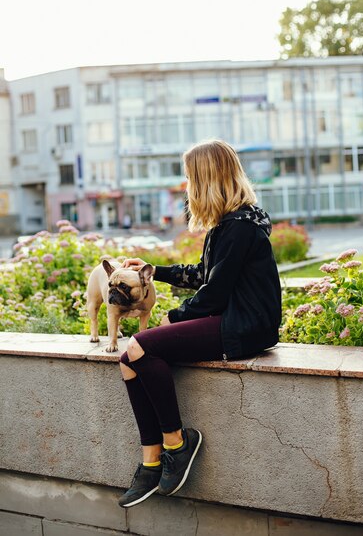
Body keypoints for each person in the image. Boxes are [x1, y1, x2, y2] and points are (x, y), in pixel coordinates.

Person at [118, 139, 282, 507]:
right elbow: (203, 275)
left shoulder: (239, 226)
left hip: (245, 325)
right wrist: (151, 269)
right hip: (234, 319)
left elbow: (215, 294)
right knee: (128, 360)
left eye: (190, 177)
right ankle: (151, 459)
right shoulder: (230, 224)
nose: (186, 186)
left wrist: (169, 318)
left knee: (141, 346)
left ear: (207, 179)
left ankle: (178, 442)